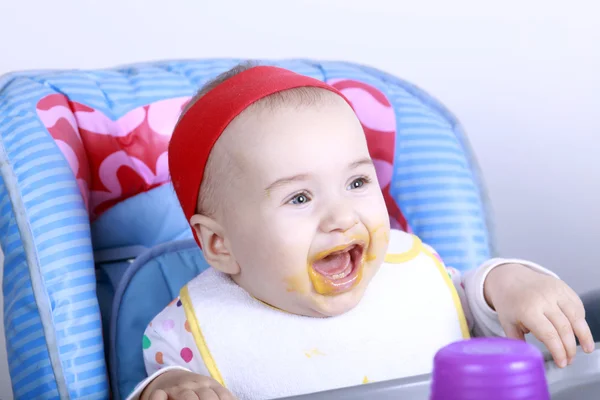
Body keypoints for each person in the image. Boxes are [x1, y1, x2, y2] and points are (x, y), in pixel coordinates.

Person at [127, 63, 594, 400]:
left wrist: (510, 281)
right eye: (299, 198)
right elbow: (162, 386)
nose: (341, 217)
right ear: (219, 244)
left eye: (356, 182)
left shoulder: (410, 275)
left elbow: (479, 306)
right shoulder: (192, 330)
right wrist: (168, 388)